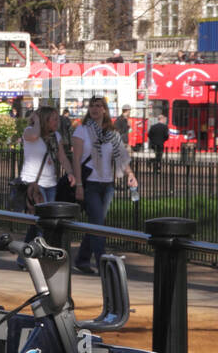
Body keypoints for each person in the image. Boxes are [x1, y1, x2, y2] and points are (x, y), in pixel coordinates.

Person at [72, 95, 138, 275]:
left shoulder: (112, 134)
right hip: (90, 183)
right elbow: (76, 159)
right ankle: (103, 263)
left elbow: (122, 158)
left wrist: (130, 174)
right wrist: (78, 184)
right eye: (92, 106)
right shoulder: (82, 131)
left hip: (108, 184)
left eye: (99, 106)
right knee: (99, 224)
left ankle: (82, 259)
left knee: (96, 223)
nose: (95, 109)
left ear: (105, 110)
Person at [18, 106, 76, 253]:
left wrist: (70, 172)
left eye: (58, 118)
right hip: (34, 184)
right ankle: (40, 256)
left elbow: (62, 156)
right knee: (41, 224)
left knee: (39, 224)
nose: (57, 122)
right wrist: (36, 120)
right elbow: (36, 134)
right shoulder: (29, 132)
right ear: (44, 119)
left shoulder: (56, 136)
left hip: (51, 183)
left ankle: (24, 257)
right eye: (54, 119)